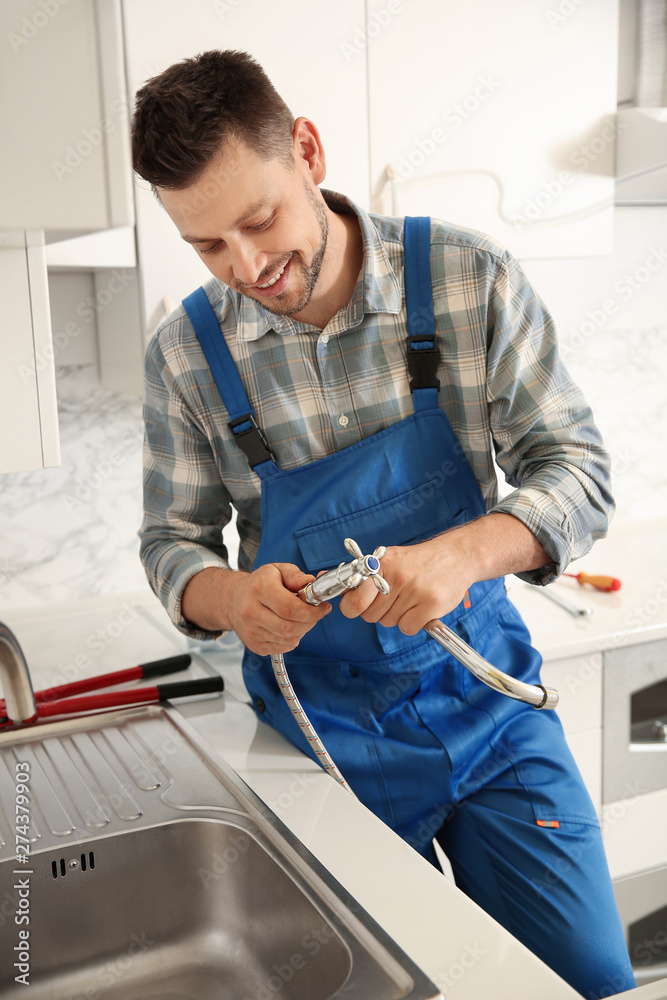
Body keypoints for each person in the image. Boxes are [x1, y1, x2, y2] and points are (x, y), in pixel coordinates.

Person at [132, 50, 635, 998]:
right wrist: (231, 596)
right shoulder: (184, 360)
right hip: (321, 755)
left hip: (490, 717)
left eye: (258, 219)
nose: (249, 268)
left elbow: (581, 474)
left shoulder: (463, 276)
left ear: (308, 152)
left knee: (584, 982)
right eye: (208, 247)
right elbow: (170, 545)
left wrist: (463, 552)